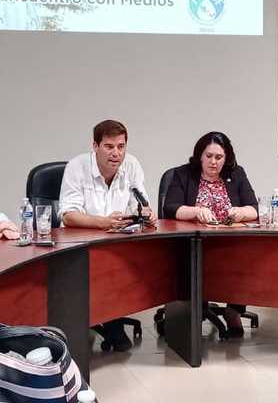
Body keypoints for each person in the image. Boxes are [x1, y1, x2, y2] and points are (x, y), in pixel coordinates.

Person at [59, 120, 152, 350]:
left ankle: (112, 317)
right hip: (80, 244)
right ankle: (107, 322)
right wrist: (103, 223)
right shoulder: (77, 167)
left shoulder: (132, 165)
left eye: (121, 146)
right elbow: (68, 215)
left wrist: (146, 214)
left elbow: (140, 204)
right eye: (109, 147)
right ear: (95, 146)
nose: (116, 153)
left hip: (118, 243)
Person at [161, 131, 258, 337]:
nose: (213, 162)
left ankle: (233, 311)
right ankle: (189, 310)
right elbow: (170, 207)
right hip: (191, 242)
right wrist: (196, 211)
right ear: (200, 155)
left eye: (219, 157)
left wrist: (240, 212)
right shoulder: (183, 174)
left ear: (226, 158)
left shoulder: (237, 174)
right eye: (209, 156)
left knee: (245, 256)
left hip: (229, 243)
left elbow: (254, 208)